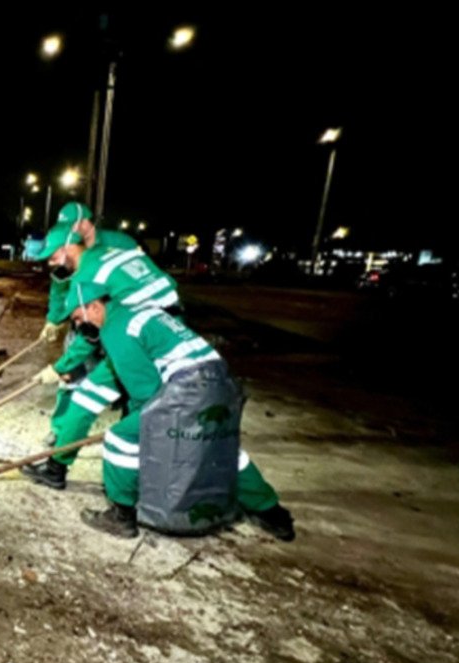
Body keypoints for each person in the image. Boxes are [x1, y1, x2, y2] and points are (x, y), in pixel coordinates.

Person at [64, 276, 295, 541]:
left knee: (120, 437)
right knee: (222, 447)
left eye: (79, 318)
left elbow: (146, 394)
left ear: (94, 306)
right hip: (222, 381)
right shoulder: (139, 312)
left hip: (189, 388)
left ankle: (121, 516)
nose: (80, 326)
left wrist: (138, 425)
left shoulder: (115, 328)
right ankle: (274, 515)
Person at [25, 203, 168, 488]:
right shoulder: (106, 258)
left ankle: (131, 493)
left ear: (70, 245)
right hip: (144, 333)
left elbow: (89, 335)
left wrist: (60, 367)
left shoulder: (87, 277)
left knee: (135, 419)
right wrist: (54, 320)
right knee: (84, 401)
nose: (51, 264)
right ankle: (56, 468)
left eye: (53, 257)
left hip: (145, 344)